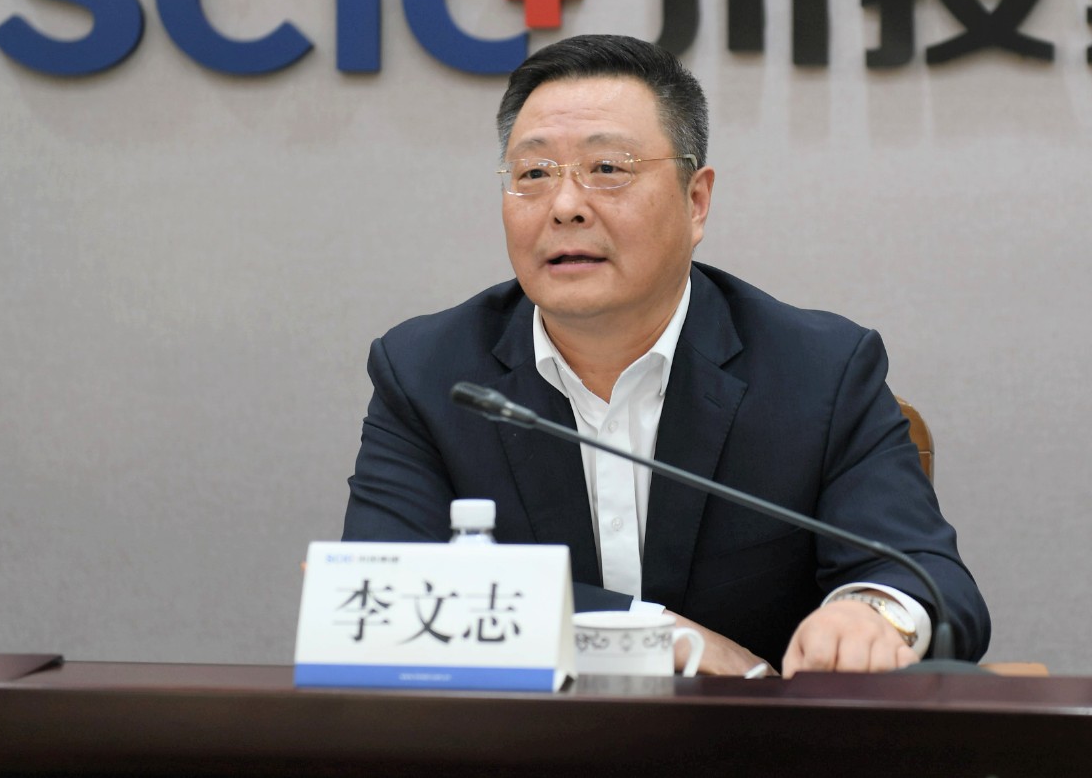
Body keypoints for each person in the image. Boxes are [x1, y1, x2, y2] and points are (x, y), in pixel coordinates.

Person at [342, 34, 989, 674]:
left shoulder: (820, 371)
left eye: (608, 169)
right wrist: (656, 633)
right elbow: (383, 600)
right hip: (522, 737)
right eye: (534, 174)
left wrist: (874, 615)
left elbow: (926, 579)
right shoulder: (430, 374)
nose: (564, 206)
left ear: (695, 200)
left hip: (755, 739)